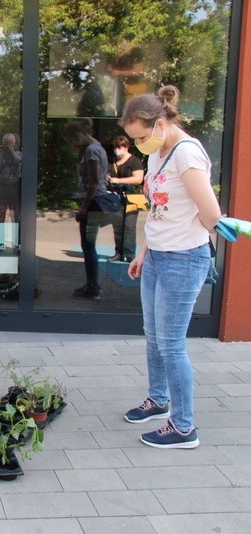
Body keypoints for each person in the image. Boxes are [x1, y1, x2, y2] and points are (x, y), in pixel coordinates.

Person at [120, 86, 221, 449]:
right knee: (154, 335)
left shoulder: (187, 154)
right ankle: (158, 400)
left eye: (141, 136)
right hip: (158, 256)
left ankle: (183, 427)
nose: (138, 145)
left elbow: (210, 212)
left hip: (184, 259)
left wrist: (214, 227)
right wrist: (143, 250)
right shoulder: (157, 154)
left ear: (159, 123)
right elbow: (156, 210)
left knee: (172, 344)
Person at [63, 119, 120, 300]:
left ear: (78, 135)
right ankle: (91, 284)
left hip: (93, 203)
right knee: (89, 246)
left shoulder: (91, 150)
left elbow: (95, 182)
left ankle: (93, 287)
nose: (72, 145)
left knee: (88, 246)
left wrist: (84, 208)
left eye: (72, 141)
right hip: (94, 201)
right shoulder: (97, 147)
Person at [107, 134, 145, 262]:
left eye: (120, 147)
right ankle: (119, 252)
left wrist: (118, 180)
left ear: (126, 147)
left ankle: (129, 255)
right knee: (117, 226)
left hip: (133, 197)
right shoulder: (113, 163)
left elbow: (138, 179)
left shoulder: (134, 161)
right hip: (116, 198)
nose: (117, 149)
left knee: (129, 226)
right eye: (116, 147)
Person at [0, 133, 21, 227]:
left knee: (16, 215)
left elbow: (18, 161)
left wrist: (12, 152)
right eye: (6, 143)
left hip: (14, 188)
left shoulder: (18, 154)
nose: (8, 145)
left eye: (10, 143)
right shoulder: (0, 155)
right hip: (2, 188)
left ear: (14, 143)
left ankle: (16, 239)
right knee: (1, 216)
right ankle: (0, 240)